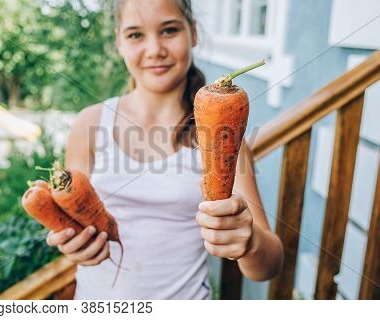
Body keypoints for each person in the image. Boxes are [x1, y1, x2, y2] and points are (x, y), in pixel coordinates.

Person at [46, 0, 283, 299]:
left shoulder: (223, 137)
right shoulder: (90, 124)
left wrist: (250, 244)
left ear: (193, 32)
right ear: (119, 41)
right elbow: (76, 221)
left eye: (169, 30)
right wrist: (72, 243)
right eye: (135, 35)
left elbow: (270, 265)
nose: (155, 49)